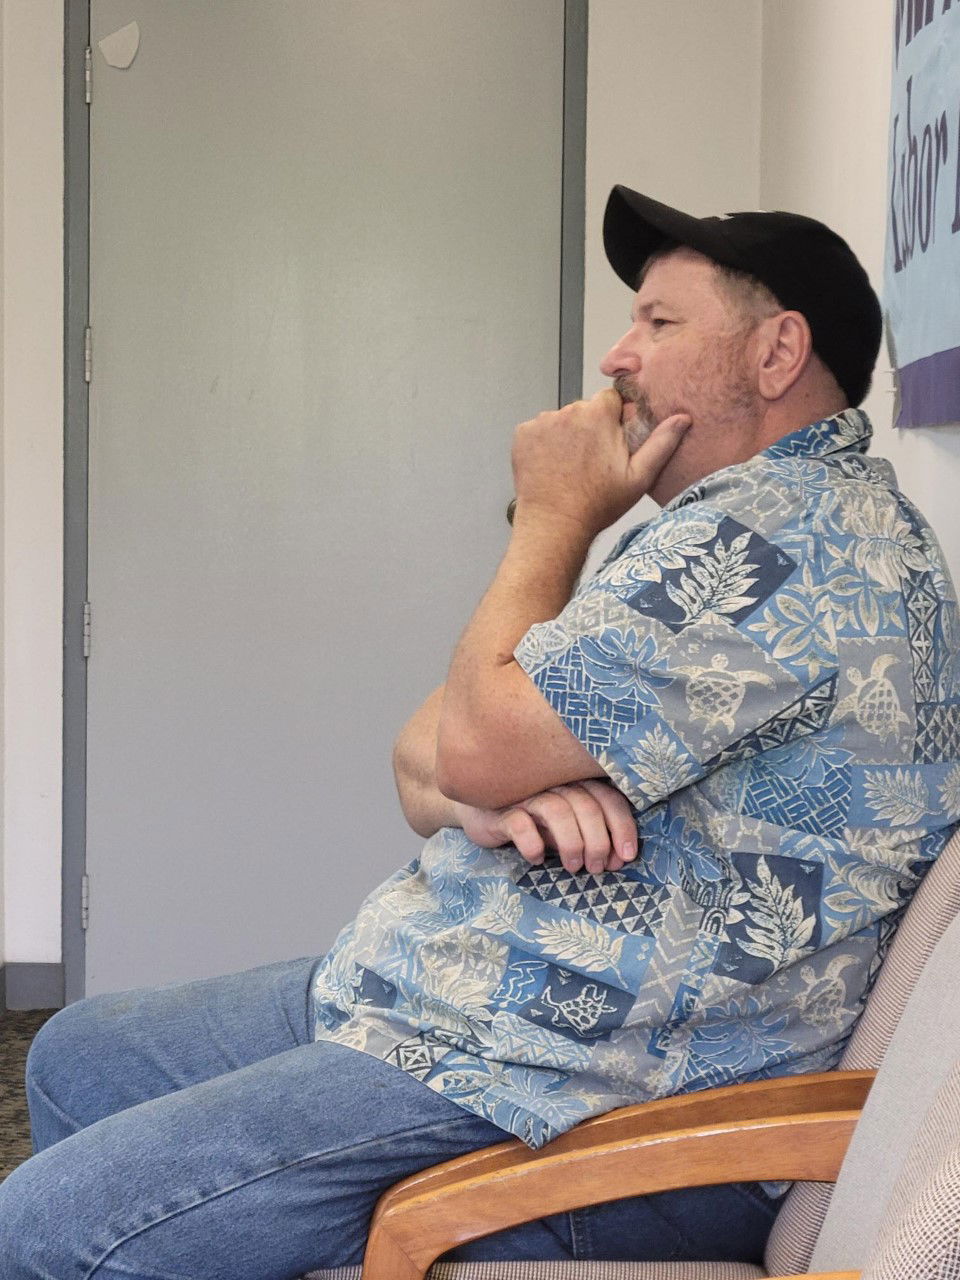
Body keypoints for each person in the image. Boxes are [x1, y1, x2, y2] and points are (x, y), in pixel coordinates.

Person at [3, 186, 959, 1278]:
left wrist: (552, 516)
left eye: (659, 321)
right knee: (77, 1056)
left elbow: (461, 736)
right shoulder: (739, 529)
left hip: (581, 1093)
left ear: (777, 351)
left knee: (43, 1229)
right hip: (469, 1004)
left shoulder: (787, 550)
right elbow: (440, 741)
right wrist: (479, 788)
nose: (616, 356)